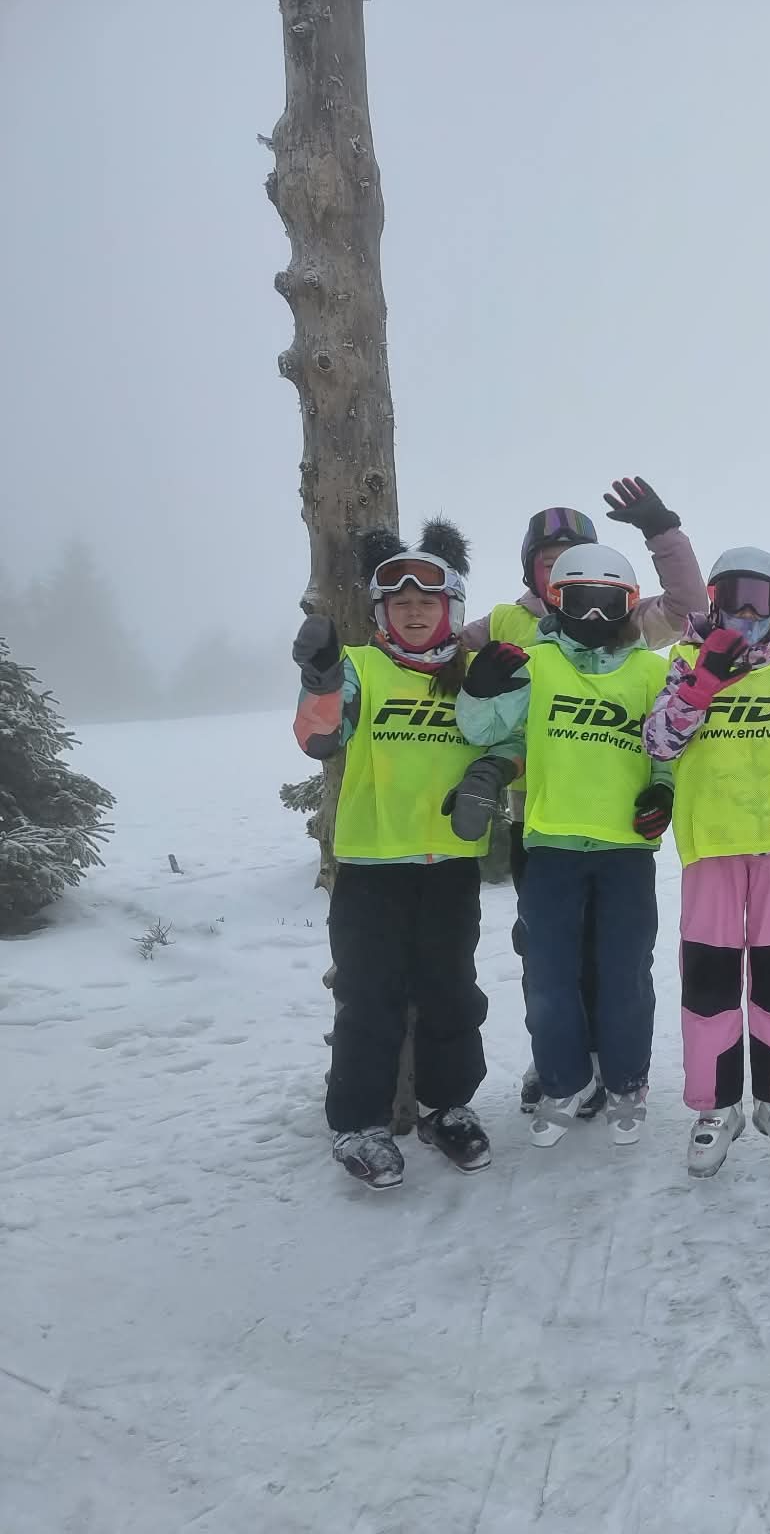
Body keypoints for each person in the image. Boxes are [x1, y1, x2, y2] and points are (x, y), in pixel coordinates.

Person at [461, 479, 706, 1113]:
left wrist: (662, 531)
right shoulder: (506, 621)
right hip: (538, 814)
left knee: (615, 953)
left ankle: (604, 1060)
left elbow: (688, 605)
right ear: (532, 571)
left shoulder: (629, 628)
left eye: (566, 557)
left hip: (615, 813)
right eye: (545, 561)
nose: (557, 570)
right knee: (546, 954)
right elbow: (438, 646)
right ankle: (559, 1062)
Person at [292, 521, 505, 1189]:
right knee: (368, 995)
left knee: (451, 992)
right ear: (382, 611)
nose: (414, 613)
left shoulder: (473, 673)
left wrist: (493, 773)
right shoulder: (360, 665)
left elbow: (509, 740)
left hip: (450, 864)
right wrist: (320, 677)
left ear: (451, 607)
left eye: (427, 602)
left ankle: (449, 1107)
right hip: (372, 865)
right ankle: (359, 1122)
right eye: (401, 603)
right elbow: (320, 738)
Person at [643, 548, 770, 1178]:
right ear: (714, 602)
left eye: (762, 600)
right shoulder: (682, 662)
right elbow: (659, 742)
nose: (747, 614)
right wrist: (701, 684)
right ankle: (716, 1106)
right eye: (734, 598)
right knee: (709, 983)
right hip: (711, 846)